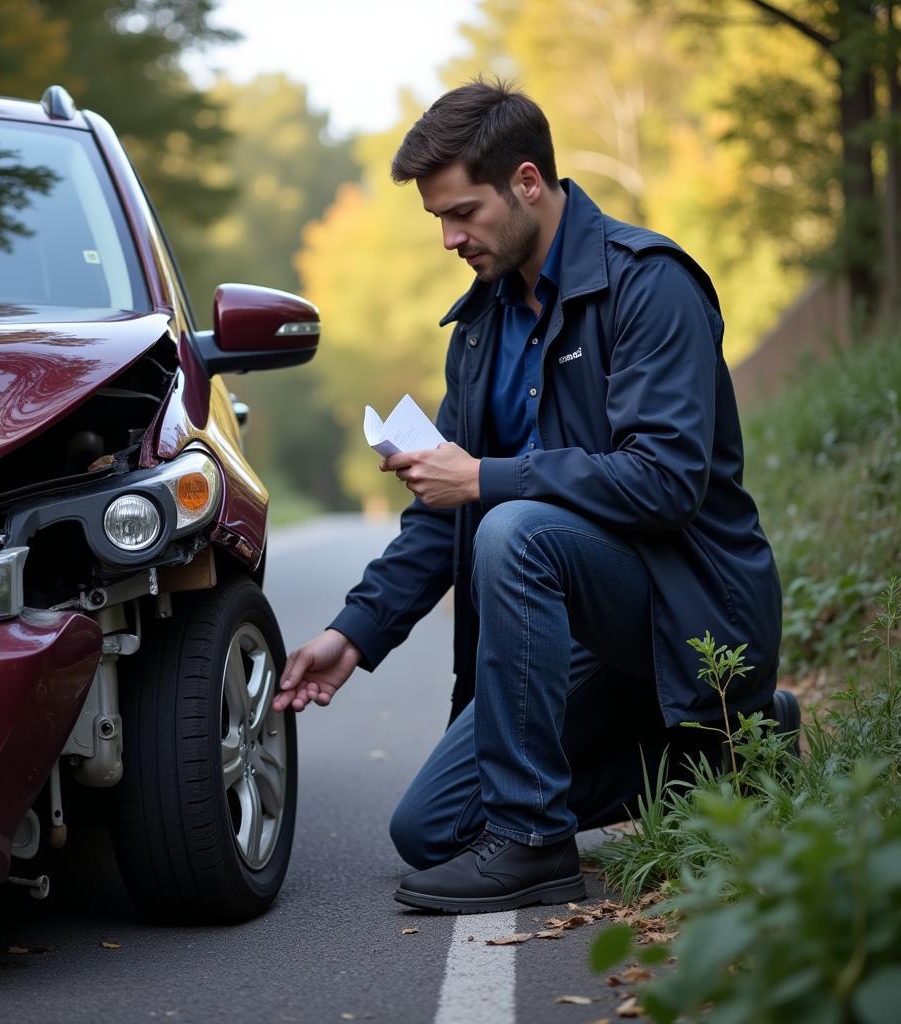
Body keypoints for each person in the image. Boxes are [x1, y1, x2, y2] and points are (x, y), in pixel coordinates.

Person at [273, 79, 794, 914]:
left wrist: (483, 477)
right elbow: (435, 515)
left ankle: (533, 845)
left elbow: (665, 479)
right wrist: (354, 631)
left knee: (514, 529)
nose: (449, 238)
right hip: (571, 634)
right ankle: (734, 746)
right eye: (437, 219)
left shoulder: (648, 284)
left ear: (526, 181)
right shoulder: (480, 327)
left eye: (463, 213)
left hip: (686, 612)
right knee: (431, 830)